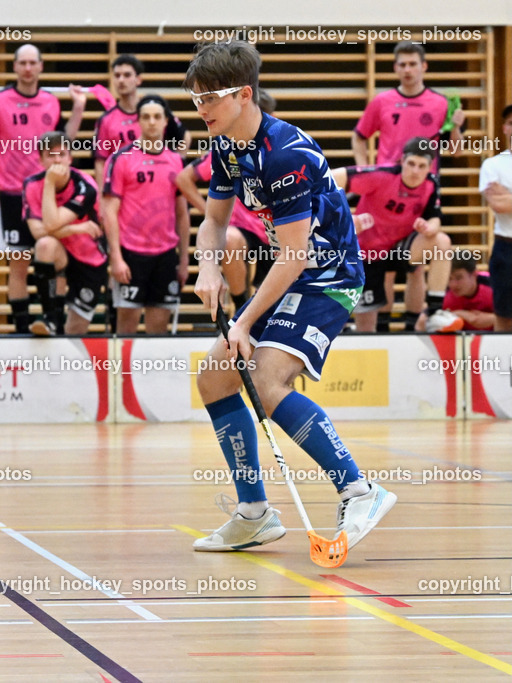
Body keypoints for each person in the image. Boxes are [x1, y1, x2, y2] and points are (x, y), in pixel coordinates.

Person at [185, 41, 396, 553]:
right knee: (214, 378)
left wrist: (242, 321)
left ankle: (360, 490)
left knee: (265, 378)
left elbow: (296, 255)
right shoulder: (226, 148)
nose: (200, 108)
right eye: (195, 99)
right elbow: (213, 222)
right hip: (292, 272)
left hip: (329, 276)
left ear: (243, 94)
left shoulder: (286, 154)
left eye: (209, 98)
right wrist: (208, 267)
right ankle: (254, 513)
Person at [0, 44, 87, 333]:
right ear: (15, 67)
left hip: (48, 196)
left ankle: (54, 321)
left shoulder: (50, 101)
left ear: (40, 66)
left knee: (53, 259)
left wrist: (78, 107)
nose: (28, 68)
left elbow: (64, 142)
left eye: (32, 63)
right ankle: (19, 329)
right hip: (13, 196)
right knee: (18, 265)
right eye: (22, 63)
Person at [332, 137, 452, 333]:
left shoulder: (431, 183)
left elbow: (435, 218)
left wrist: (429, 228)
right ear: (402, 160)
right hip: (367, 252)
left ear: (430, 167)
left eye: (422, 166)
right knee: (366, 328)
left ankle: (434, 312)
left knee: (441, 241)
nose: (415, 171)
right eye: (411, 163)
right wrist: (341, 217)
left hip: (398, 249)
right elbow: (332, 178)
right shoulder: (382, 175)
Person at [176, 90, 277, 314]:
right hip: (244, 229)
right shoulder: (227, 149)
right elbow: (183, 178)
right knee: (229, 239)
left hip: (281, 231)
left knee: (273, 308)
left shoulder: (281, 148)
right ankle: (240, 306)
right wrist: (213, 215)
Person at [102, 95, 190, 335]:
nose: (152, 122)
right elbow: (109, 211)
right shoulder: (120, 159)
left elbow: (182, 214)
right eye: (146, 117)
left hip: (165, 255)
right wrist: (116, 258)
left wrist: (183, 260)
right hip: (130, 254)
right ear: (138, 121)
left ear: (165, 121)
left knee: (158, 330)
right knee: (126, 328)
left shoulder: (176, 161)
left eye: (157, 117)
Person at [21, 131, 107, 336]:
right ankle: (50, 318)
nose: (57, 160)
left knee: (74, 332)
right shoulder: (32, 185)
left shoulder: (85, 186)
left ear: (70, 158)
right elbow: (38, 232)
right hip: (60, 250)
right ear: (41, 160)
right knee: (44, 245)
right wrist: (77, 228)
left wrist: (50, 183)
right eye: (50, 155)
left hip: (88, 257)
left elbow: (49, 225)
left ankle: (60, 330)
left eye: (62, 154)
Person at [352, 41, 464, 174]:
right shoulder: (381, 101)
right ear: (395, 68)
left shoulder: (441, 103)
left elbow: (457, 152)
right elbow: (358, 137)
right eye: (402, 65)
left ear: (424, 66)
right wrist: (364, 170)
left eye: (412, 64)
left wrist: (456, 128)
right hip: (388, 178)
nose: (407, 70)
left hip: (425, 180)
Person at [92, 55, 191, 180]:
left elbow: (184, 137)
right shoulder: (106, 120)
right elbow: (100, 161)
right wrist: (103, 190)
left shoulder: (155, 110)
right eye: (117, 75)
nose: (121, 80)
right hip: (123, 182)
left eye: (127, 75)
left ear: (138, 79)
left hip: (156, 179)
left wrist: (174, 166)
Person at [479, 103, 512, 332]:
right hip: (506, 248)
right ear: (505, 128)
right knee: (504, 315)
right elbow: (498, 205)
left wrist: (507, 195)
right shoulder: (492, 165)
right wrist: (503, 199)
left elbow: (505, 201)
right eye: (511, 123)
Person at [414, 257, 495, 332]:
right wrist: (459, 314)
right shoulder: (443, 293)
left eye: (458, 278)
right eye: (449, 278)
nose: (453, 285)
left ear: (474, 275)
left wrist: (476, 319)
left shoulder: (493, 285)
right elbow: (421, 323)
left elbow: (504, 318)